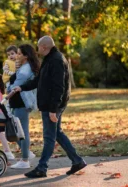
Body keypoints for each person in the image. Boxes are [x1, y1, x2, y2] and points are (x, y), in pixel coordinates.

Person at [13, 36, 87, 177]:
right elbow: (38, 80)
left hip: (52, 105)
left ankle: (42, 168)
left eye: (39, 47)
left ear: (44, 47)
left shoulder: (57, 60)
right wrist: (21, 88)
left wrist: (54, 109)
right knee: (56, 133)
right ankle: (77, 161)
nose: (37, 50)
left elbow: (59, 87)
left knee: (49, 137)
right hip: (49, 104)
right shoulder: (49, 59)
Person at [7, 44, 40, 169]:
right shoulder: (23, 67)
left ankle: (25, 160)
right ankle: (27, 153)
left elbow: (15, 86)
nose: (17, 55)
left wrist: (8, 88)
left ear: (26, 56)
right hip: (17, 102)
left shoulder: (26, 69)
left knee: (21, 131)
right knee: (15, 130)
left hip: (21, 102)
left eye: (20, 53)